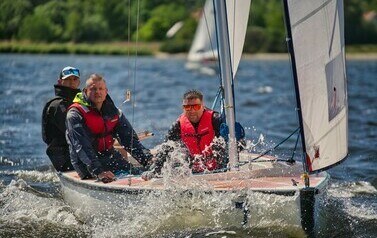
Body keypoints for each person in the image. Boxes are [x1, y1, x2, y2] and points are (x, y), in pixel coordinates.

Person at [65, 74, 152, 183]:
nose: (97, 92)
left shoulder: (114, 112)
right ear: (85, 91)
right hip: (85, 163)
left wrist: (148, 159)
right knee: (105, 175)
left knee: (138, 172)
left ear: (106, 91)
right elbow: (82, 147)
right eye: (93, 89)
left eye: (101, 89)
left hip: (109, 156)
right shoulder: (75, 115)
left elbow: (129, 140)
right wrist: (99, 172)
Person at [142, 89, 230, 180]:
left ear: (202, 106)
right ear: (183, 108)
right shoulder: (178, 124)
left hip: (218, 169)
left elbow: (230, 143)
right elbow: (166, 148)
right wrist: (154, 170)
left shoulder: (215, 119)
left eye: (196, 107)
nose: (192, 111)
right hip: (194, 170)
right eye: (187, 107)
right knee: (178, 153)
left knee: (220, 145)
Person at [42, 66, 81, 172]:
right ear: (60, 82)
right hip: (63, 158)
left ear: (79, 82)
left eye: (74, 79)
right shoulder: (57, 106)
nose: (72, 82)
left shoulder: (80, 101)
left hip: (77, 151)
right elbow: (73, 133)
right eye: (68, 79)